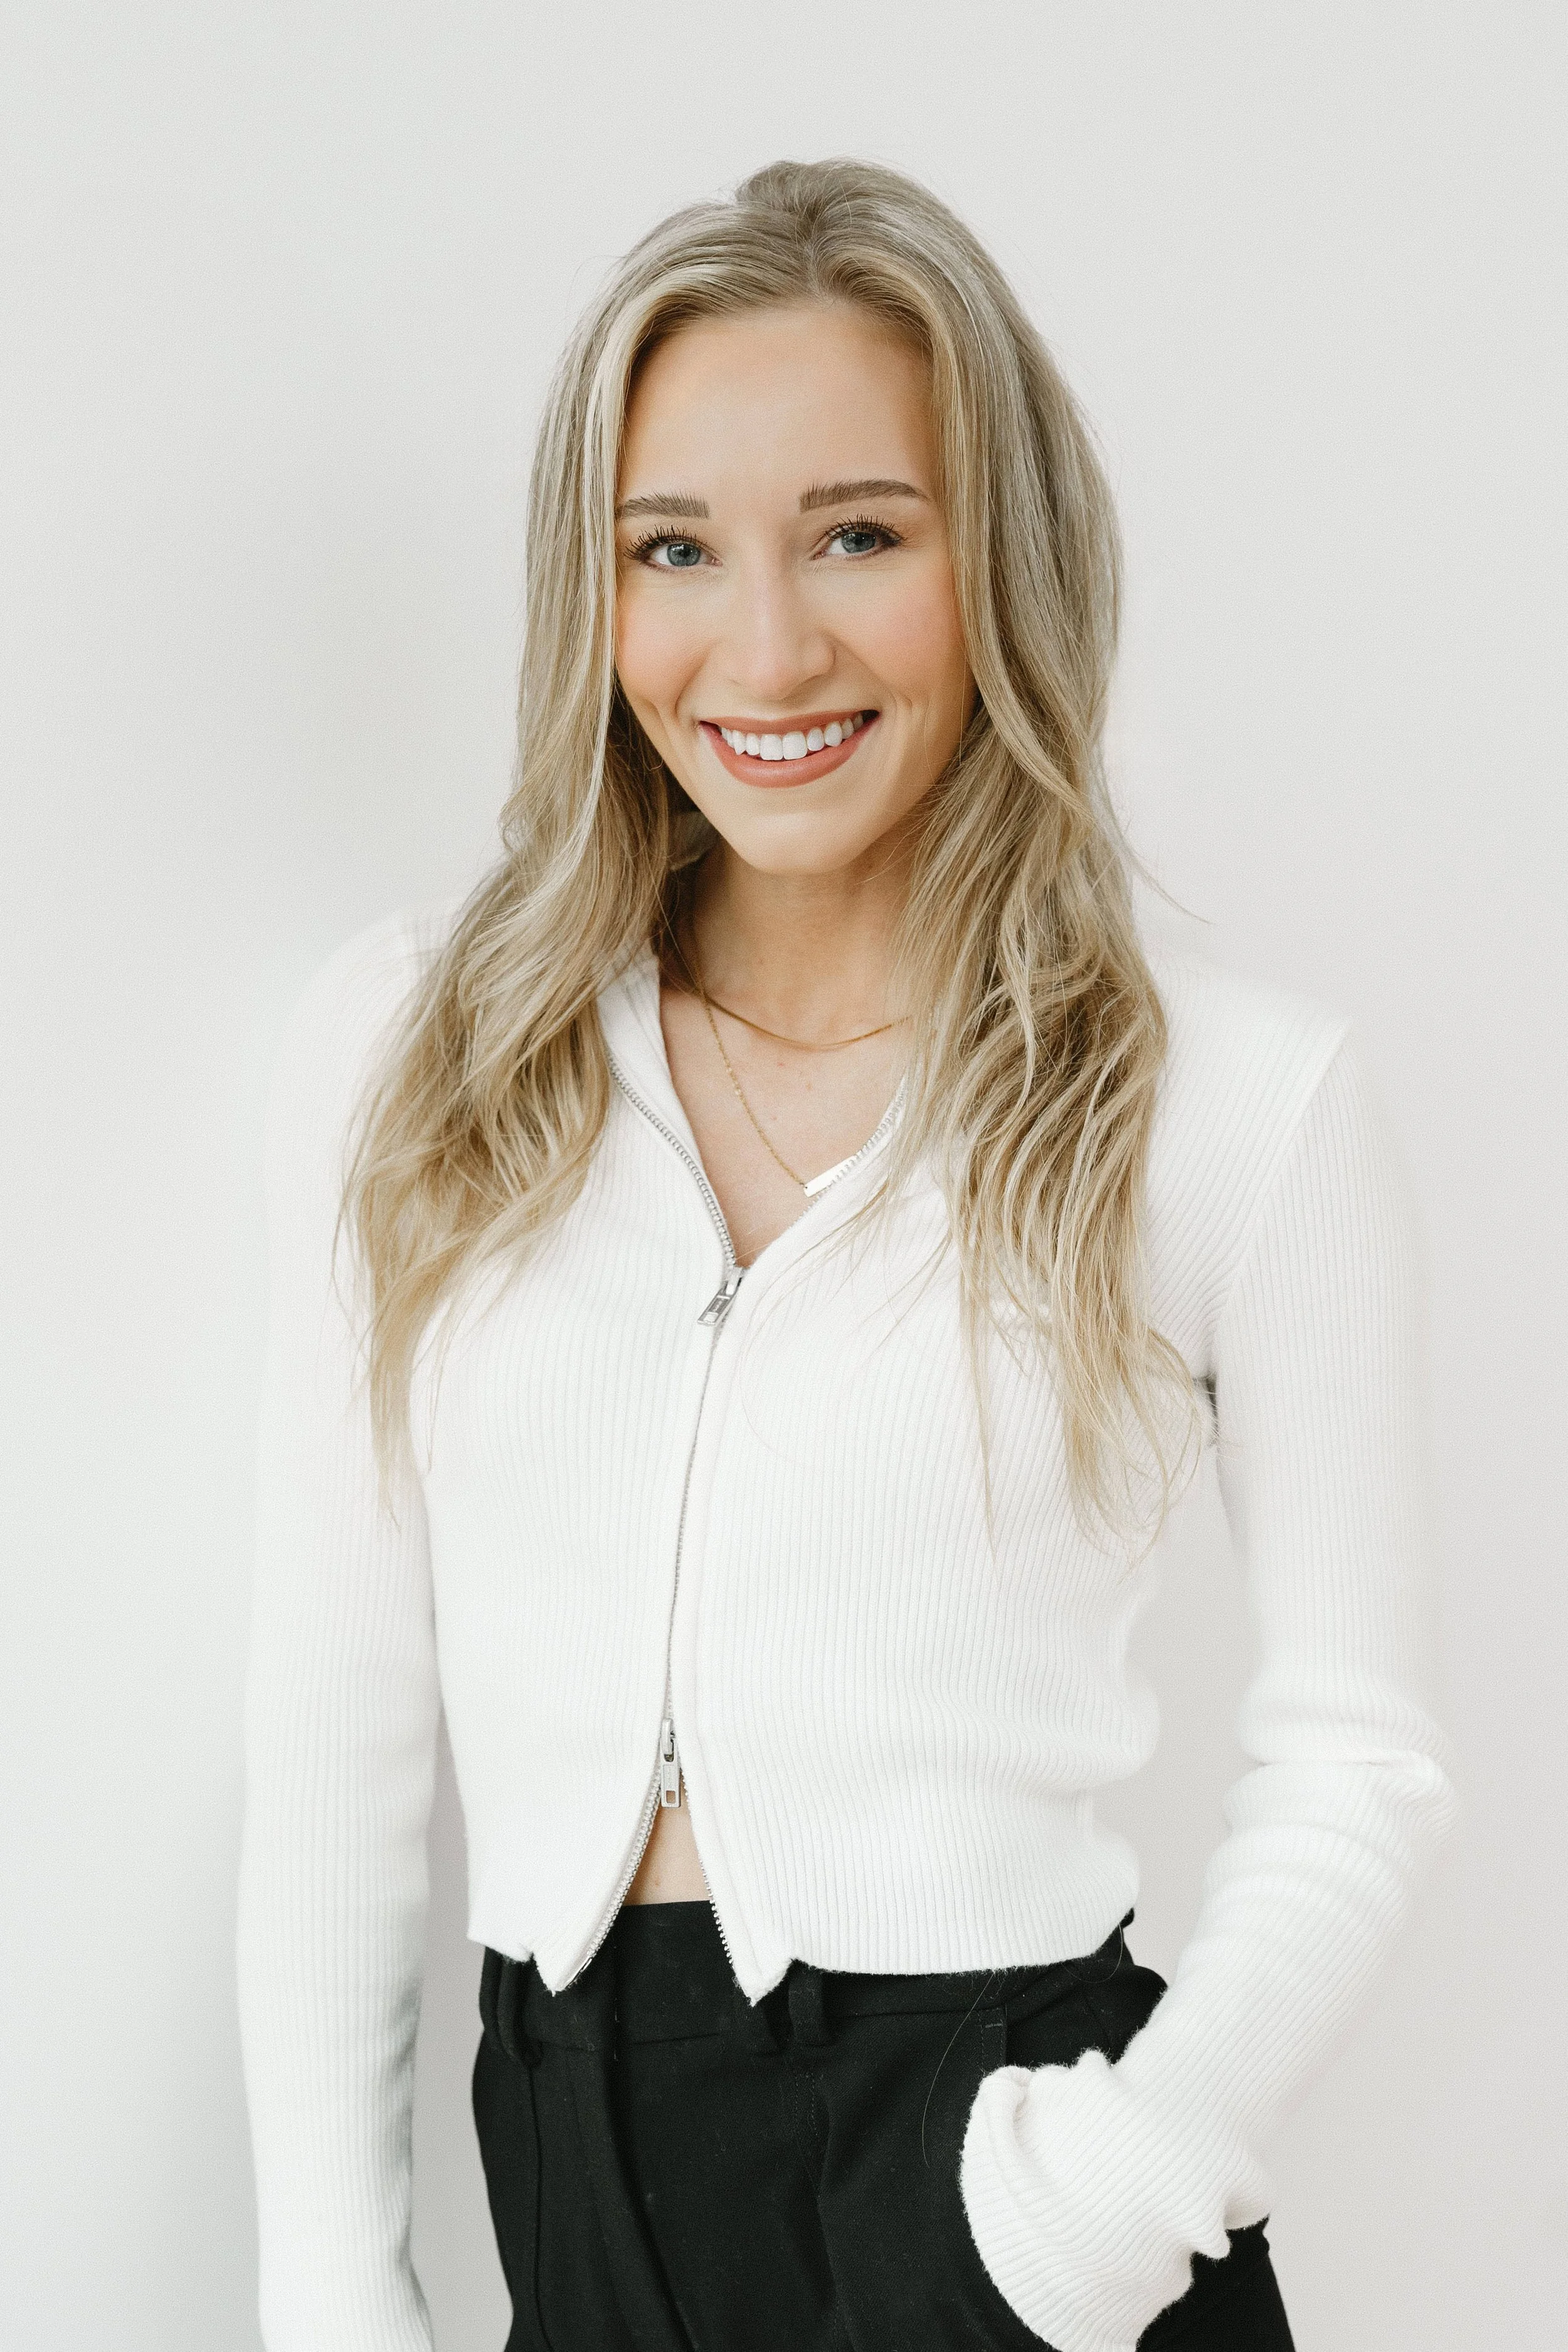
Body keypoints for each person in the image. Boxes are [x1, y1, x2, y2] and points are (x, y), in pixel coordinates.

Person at [236, 158, 1456, 2352]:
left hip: (1009, 2196)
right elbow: (336, 1739)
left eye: (862, 535)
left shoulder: (1228, 1100)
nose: (767, 647)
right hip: (587, 2189)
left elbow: (1357, 1752)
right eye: (673, 549)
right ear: (588, 591)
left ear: (1002, 560)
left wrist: (1104, 2194)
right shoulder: (412, 1054)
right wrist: (335, 2295)